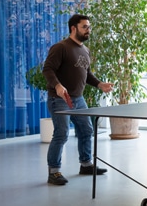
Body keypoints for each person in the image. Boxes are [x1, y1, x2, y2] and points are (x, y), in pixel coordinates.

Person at [43, 14, 113, 185]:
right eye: (85, 27)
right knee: (61, 134)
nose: (88, 30)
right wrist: (58, 86)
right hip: (59, 99)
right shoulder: (61, 47)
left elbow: (86, 74)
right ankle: (54, 172)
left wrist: (99, 84)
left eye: (89, 27)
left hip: (78, 98)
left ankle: (86, 164)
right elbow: (48, 69)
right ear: (73, 28)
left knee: (86, 130)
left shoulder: (85, 50)